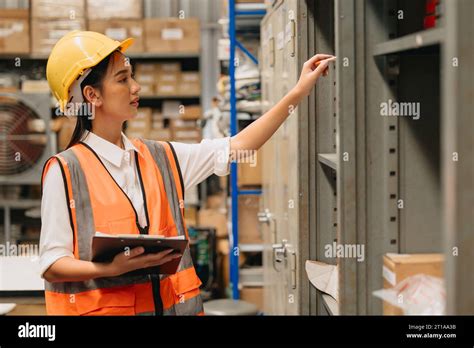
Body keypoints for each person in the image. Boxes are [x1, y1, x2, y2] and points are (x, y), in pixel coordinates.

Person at [40, 30, 336, 316]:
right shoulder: (66, 171)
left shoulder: (162, 157)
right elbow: (53, 262)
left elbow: (241, 145)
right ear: (92, 95)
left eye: (132, 76)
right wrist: (110, 269)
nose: (136, 87)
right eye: (123, 79)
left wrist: (298, 91)